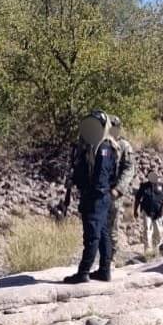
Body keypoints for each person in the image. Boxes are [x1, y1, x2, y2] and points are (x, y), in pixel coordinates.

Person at [65, 111, 119, 283]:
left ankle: (83, 272)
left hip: (97, 196)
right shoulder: (93, 146)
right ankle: (104, 270)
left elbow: (101, 176)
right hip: (98, 195)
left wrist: (91, 192)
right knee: (102, 233)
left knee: (92, 235)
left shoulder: (103, 147)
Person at [107, 116, 137, 250]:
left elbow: (129, 169)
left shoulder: (124, 146)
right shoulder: (100, 143)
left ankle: (110, 258)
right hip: (99, 190)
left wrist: (118, 189)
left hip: (114, 192)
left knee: (112, 227)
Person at [133, 179, 163, 253]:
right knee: (147, 230)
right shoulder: (144, 186)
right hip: (147, 211)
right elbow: (138, 198)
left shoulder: (161, 186)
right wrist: (135, 210)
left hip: (159, 212)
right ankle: (148, 251)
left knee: (158, 231)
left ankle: (157, 249)